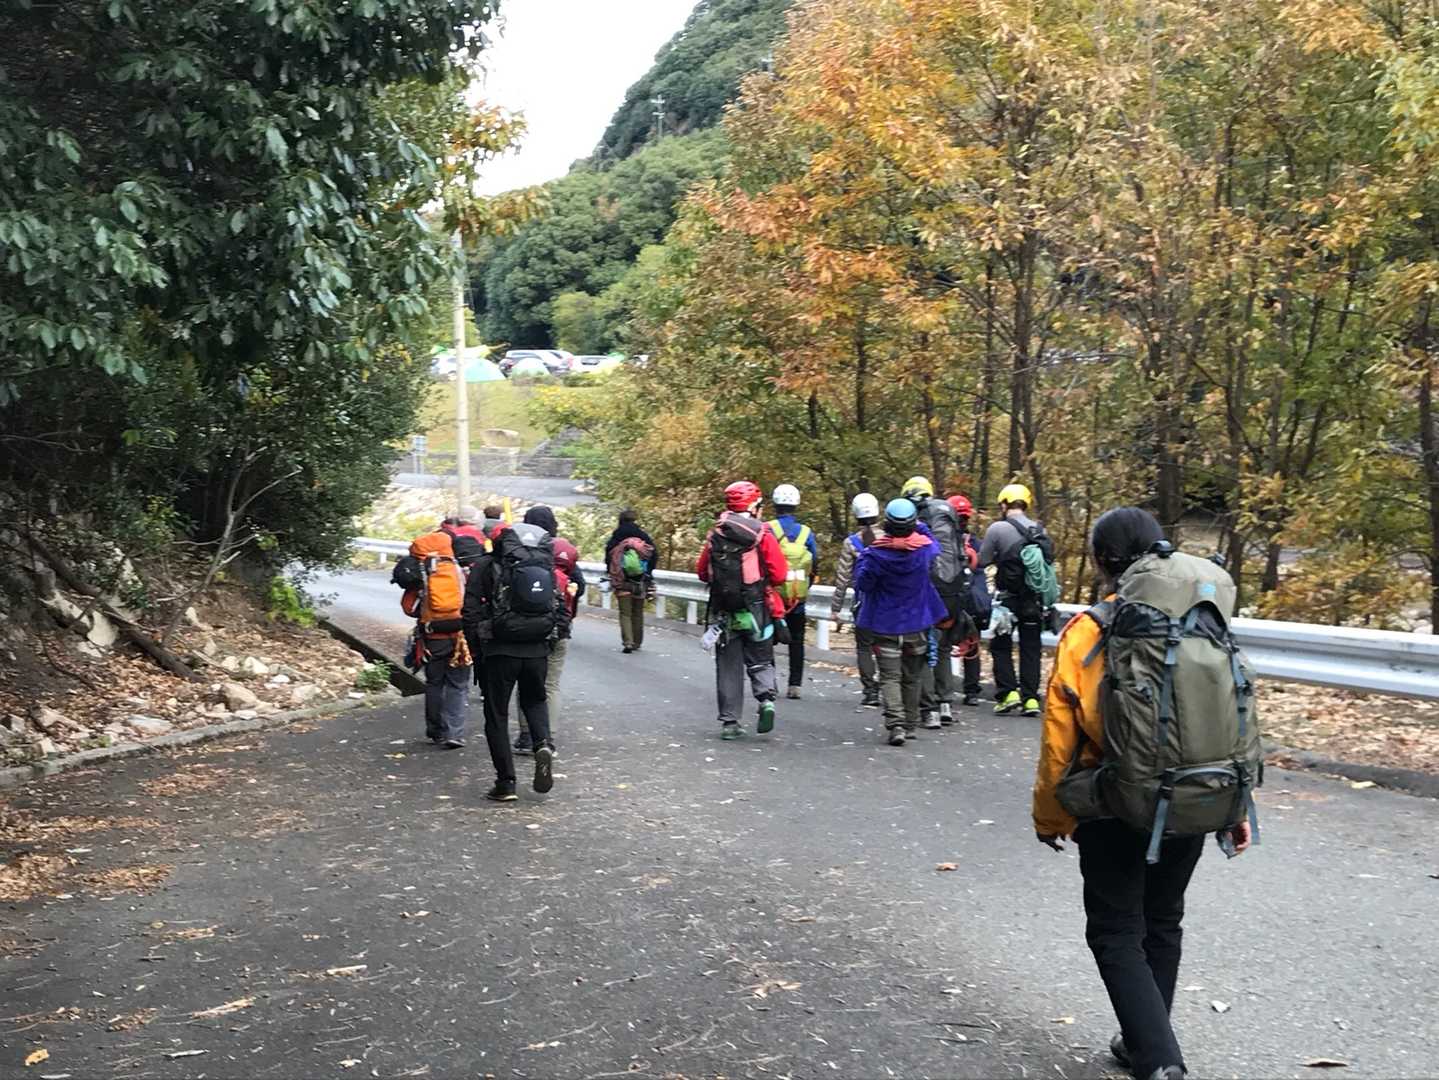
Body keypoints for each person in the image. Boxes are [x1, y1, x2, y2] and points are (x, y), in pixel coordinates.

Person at [1033, 507, 1254, 1080]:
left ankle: (1158, 1060)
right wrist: (1236, 806)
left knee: (1115, 930)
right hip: (1194, 792)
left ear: (1101, 562)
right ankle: (1143, 1043)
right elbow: (1232, 718)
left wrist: (1051, 815)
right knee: (1163, 921)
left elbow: (1060, 738)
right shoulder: (1203, 622)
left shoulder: (1089, 631)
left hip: (1113, 798)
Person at [475, 519, 567, 802]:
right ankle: (543, 743)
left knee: (497, 715)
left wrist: (477, 649)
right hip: (537, 648)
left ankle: (506, 783)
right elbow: (559, 607)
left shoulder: (486, 566)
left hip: (499, 650)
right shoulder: (543, 565)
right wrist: (550, 641)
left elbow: (470, 611)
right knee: (535, 701)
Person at [696, 480, 788, 740]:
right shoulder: (762, 533)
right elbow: (779, 574)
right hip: (757, 607)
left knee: (728, 665)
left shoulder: (717, 533)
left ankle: (730, 722)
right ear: (754, 506)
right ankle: (766, 699)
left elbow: (702, 572)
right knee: (760, 657)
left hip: (724, 610)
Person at [853, 499, 947, 747]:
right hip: (917, 624)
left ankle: (896, 725)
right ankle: (910, 723)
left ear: (887, 524)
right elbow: (934, 542)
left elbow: (863, 584)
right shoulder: (924, 550)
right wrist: (919, 526)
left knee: (889, 676)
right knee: (912, 676)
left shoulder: (875, 554)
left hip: (885, 625)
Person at [512, 506, 585, 756]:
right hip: (558, 628)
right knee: (550, 684)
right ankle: (546, 739)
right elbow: (579, 587)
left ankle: (526, 736)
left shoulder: (519, 550)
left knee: (526, 682)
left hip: (525, 630)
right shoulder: (563, 554)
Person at [979, 482, 1054, 716]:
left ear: (1004, 504)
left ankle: (1008, 693)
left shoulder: (997, 528)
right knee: (1031, 648)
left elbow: (983, 560)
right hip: (1034, 599)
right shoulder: (1039, 530)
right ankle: (1031, 699)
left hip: (1008, 599)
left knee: (1001, 645)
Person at [900, 477, 969, 729]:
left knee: (921, 649)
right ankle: (945, 702)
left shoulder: (915, 518)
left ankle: (929, 711)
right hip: (952, 589)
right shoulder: (948, 512)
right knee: (942, 647)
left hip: (927, 591)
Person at [397, 531, 472, 748]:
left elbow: (408, 607)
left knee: (435, 683)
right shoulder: (461, 570)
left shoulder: (420, 572)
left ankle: (436, 731)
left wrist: (424, 612)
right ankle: (454, 733)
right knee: (458, 684)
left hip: (432, 638)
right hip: (460, 638)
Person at [829, 493, 884, 709]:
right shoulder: (889, 537)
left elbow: (843, 578)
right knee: (888, 645)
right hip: (889, 602)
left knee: (864, 647)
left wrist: (836, 608)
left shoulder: (851, 543)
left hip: (864, 603)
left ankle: (870, 691)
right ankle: (890, 686)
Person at [768, 483, 819, 699]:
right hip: (797, 597)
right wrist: (804, 586)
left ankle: (769, 683)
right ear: (796, 505)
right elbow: (814, 563)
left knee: (767, 640)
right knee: (797, 641)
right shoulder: (806, 532)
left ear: (775, 504)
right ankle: (795, 686)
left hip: (772, 597)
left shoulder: (767, 529)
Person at [947, 494, 991, 707]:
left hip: (951, 599)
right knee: (972, 645)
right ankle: (971, 691)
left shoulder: (945, 542)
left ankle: (943, 690)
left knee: (943, 644)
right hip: (973, 601)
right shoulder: (976, 543)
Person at [604, 508, 657, 654]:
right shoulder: (643, 537)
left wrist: (612, 574)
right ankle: (637, 642)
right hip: (641, 581)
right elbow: (654, 555)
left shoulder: (616, 538)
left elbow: (608, 558)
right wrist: (647, 574)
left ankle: (628, 642)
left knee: (625, 613)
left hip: (622, 582)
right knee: (637, 612)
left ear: (620, 520)